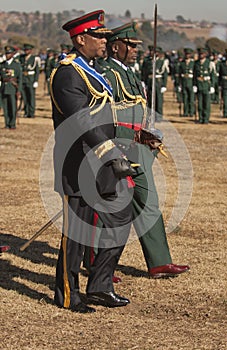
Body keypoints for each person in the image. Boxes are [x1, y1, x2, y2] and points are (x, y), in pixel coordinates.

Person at [84, 22, 190, 280]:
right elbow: (98, 118)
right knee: (110, 208)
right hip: (117, 146)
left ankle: (159, 262)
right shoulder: (105, 73)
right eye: (130, 45)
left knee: (148, 202)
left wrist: (149, 134)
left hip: (139, 147)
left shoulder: (130, 73)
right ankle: (98, 264)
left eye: (135, 46)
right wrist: (128, 134)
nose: (134, 50)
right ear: (115, 46)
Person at [50, 10, 136, 313]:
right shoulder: (67, 73)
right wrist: (111, 152)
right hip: (78, 163)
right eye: (98, 36)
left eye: (104, 35)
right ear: (80, 38)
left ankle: (100, 285)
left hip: (103, 162)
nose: (105, 40)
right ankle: (68, 293)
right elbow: (81, 121)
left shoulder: (92, 69)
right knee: (77, 232)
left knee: (121, 216)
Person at [141, 46, 168, 120]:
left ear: (157, 53)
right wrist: (143, 81)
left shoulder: (161, 62)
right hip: (149, 81)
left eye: (153, 52)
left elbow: (165, 74)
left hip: (158, 82)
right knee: (149, 100)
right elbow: (144, 72)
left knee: (158, 100)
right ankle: (150, 116)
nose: (151, 53)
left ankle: (158, 117)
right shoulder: (147, 61)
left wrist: (164, 85)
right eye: (151, 51)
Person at [0, 46, 22, 129]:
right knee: (5, 108)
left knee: (12, 107)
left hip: (12, 88)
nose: (7, 55)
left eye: (9, 53)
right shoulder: (2, 65)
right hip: (3, 88)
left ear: (13, 54)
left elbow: (20, 78)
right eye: (6, 53)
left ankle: (12, 124)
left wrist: (19, 90)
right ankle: (7, 123)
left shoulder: (16, 65)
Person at [193, 47, 215, 124]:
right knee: (200, 104)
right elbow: (194, 75)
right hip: (199, 85)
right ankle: (200, 118)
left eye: (202, 54)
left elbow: (212, 75)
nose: (201, 55)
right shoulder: (196, 63)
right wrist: (194, 85)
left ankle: (206, 119)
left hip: (206, 85)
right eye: (200, 54)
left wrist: (212, 86)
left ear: (205, 54)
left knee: (206, 104)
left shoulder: (209, 63)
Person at [19, 43, 40, 118]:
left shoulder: (34, 59)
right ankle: (26, 112)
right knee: (24, 97)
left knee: (31, 97)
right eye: (25, 50)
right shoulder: (21, 58)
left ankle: (31, 112)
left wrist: (36, 81)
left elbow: (37, 70)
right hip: (23, 80)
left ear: (31, 51)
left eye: (27, 50)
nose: (26, 51)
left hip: (30, 80)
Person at [179, 48, 195, 117]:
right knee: (185, 98)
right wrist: (179, 84)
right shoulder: (182, 63)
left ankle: (191, 112)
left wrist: (195, 84)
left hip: (191, 82)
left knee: (191, 99)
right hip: (184, 82)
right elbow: (180, 74)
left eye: (188, 54)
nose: (187, 55)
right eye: (186, 54)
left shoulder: (193, 63)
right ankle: (185, 112)